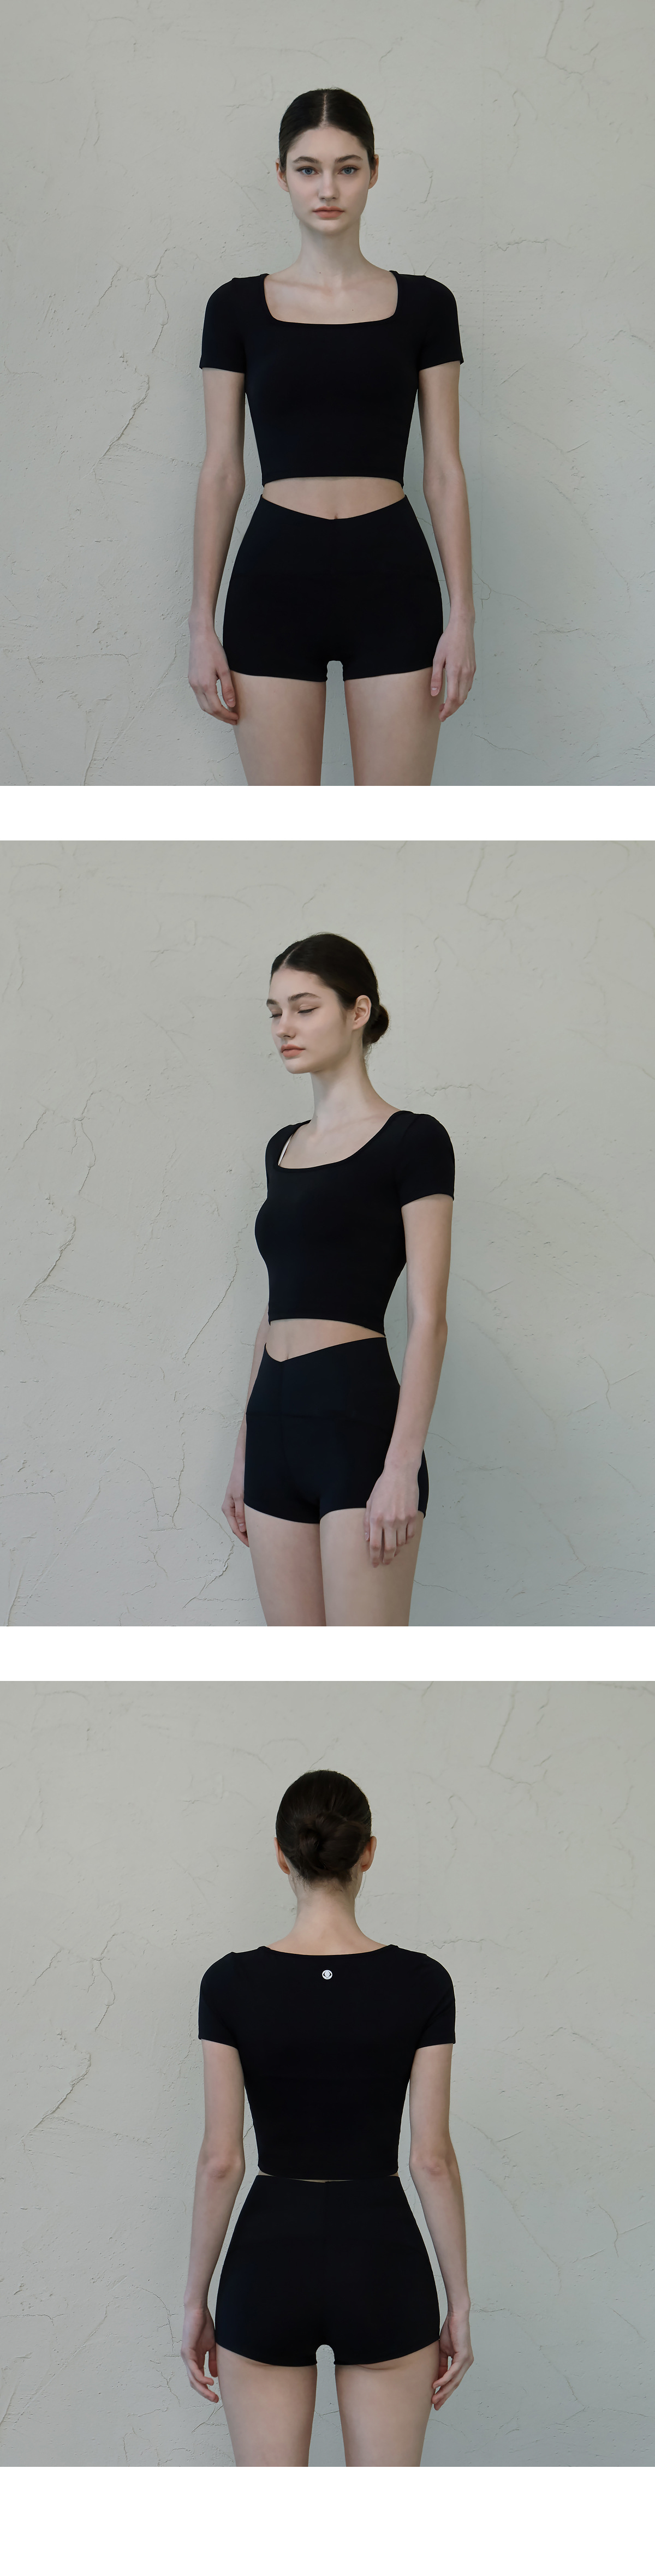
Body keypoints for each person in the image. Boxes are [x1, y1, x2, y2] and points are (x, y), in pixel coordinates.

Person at [181, 1767, 473, 2467]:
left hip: (268, 2258)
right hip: (382, 2256)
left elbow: (222, 2159)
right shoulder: (423, 1983)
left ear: (281, 1855)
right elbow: (431, 2158)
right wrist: (460, 2301)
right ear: (367, 1851)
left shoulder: (229, 1983)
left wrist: (195, 2299)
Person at [188, 85, 475, 784]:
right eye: (308, 168)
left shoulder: (427, 305)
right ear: (281, 176)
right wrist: (200, 624)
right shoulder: (235, 308)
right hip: (275, 579)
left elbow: (444, 469)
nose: (328, 188)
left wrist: (464, 616)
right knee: (289, 835)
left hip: (393, 578)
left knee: (393, 832)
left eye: (347, 168)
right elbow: (222, 470)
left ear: (374, 171)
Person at [222, 933, 454, 1626]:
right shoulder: (282, 1148)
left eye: (304, 1007)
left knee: (364, 1673)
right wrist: (244, 1450)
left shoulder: (414, 1141)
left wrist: (401, 1465)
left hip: (355, 1425)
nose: (283, 1028)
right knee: (298, 1676)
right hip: (273, 1424)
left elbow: (429, 1319)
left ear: (358, 1012)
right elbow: (277, 1309)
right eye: (274, 1012)